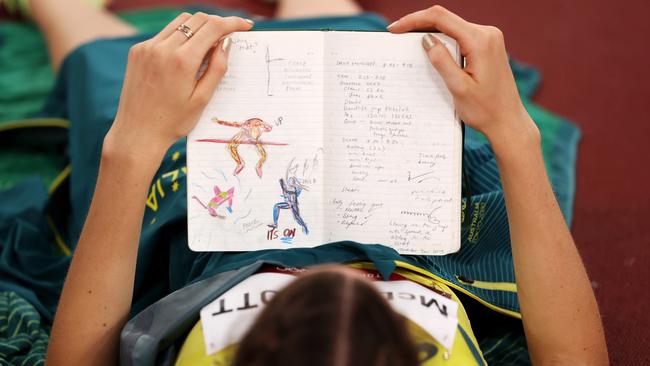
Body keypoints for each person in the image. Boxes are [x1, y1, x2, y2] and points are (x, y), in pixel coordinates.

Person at [0, 0, 605, 365]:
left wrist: (131, 145)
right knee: (361, 48)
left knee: (103, 70)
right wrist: (511, 131)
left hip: (208, 236)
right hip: (410, 234)